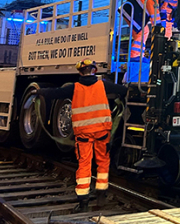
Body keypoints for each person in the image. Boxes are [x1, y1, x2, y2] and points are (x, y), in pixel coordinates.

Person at [36, 59, 127, 211]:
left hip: (84, 133)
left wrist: (39, 92)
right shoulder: (103, 85)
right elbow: (122, 91)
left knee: (84, 164)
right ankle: (101, 194)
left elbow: (55, 93)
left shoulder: (74, 88)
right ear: (94, 70)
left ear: (79, 72)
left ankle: (83, 201)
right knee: (103, 161)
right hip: (102, 132)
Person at [121, 0, 177, 83]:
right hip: (130, 11)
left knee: (144, 31)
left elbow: (166, 20)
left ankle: (138, 57)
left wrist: (167, 36)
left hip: (135, 12)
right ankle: (135, 58)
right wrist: (161, 31)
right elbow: (154, 17)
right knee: (143, 32)